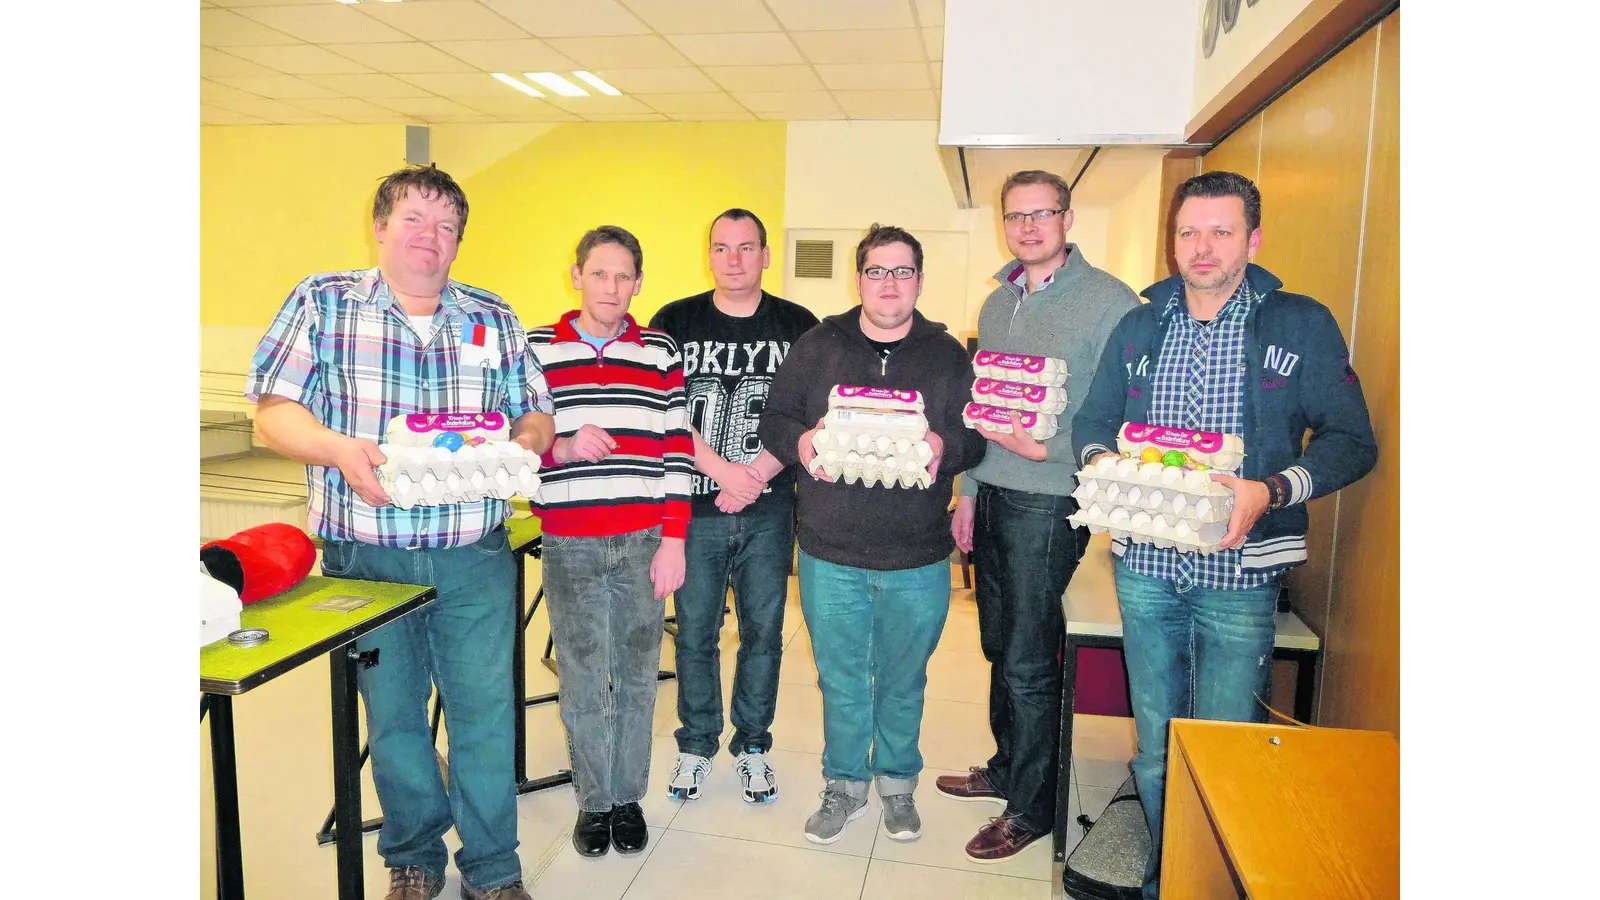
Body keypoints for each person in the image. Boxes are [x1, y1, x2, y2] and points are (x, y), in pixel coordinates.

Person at [246, 164, 554, 900]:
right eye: (414, 219)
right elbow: (273, 411)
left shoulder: (492, 316)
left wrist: (526, 445)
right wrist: (336, 450)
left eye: (447, 226)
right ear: (380, 225)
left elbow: (536, 410)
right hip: (367, 555)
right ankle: (413, 858)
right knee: (393, 719)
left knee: (484, 715)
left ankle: (493, 870)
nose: (431, 238)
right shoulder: (323, 303)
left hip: (473, 555)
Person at [1071, 170, 1378, 898]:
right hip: (1145, 566)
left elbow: (1351, 440)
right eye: (1188, 232)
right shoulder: (1141, 323)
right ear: (1172, 239)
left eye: (1220, 231)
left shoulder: (1298, 322)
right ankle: (1165, 874)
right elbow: (1091, 423)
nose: (1201, 248)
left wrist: (1271, 489)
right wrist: (1107, 468)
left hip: (1243, 576)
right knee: (1155, 748)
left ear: (1253, 239)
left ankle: (1207, 883)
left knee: (1225, 747)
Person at [758, 223, 987, 847]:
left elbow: (977, 436)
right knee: (840, 677)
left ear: (918, 280)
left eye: (902, 271)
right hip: (830, 551)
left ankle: (896, 784)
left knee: (904, 676)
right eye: (877, 272)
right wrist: (800, 442)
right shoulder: (817, 346)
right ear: (858, 278)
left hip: (916, 554)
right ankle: (844, 784)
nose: (889, 284)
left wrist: (949, 445)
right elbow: (775, 418)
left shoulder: (946, 356)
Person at [938, 169, 1139, 863]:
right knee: (999, 644)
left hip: (1050, 499)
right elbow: (979, 407)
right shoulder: (999, 303)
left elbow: (1121, 411)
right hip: (991, 491)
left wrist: (1047, 444)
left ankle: (1032, 807)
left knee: (1028, 656)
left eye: (1041, 214)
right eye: (1016, 215)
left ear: (1068, 217)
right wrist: (965, 491)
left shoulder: (1111, 303)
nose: (1028, 227)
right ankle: (1006, 766)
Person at [526, 225, 693, 859]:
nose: (611, 287)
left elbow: (678, 449)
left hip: (646, 540)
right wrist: (561, 446)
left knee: (639, 676)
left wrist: (674, 539)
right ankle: (593, 803)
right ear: (576, 275)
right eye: (599, 273)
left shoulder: (659, 351)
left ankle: (628, 798)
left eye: (624, 276)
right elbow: (517, 438)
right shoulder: (537, 348)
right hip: (569, 542)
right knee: (582, 676)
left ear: (639, 283)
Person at [648, 209, 820, 804]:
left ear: (766, 255)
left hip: (771, 507)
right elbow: (664, 413)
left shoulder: (800, 325)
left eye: (747, 247)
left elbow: (809, 415)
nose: (734, 259)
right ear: (710, 254)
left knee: (763, 634)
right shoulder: (674, 321)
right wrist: (722, 471)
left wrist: (755, 476)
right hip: (692, 509)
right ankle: (696, 745)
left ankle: (753, 746)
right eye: (722, 247)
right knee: (695, 632)